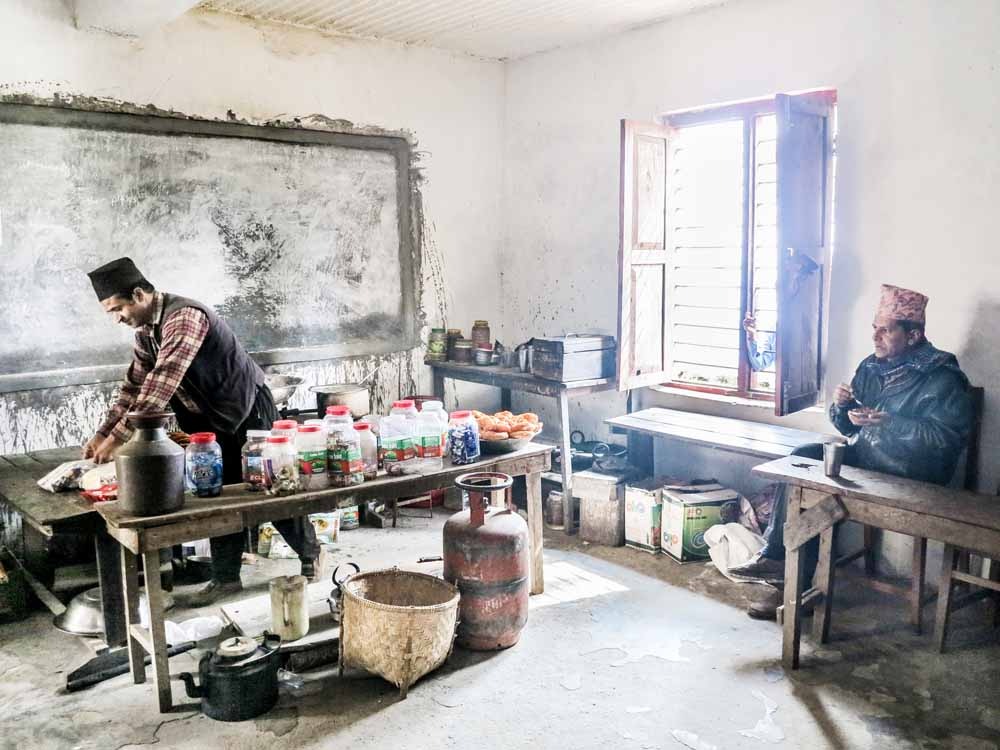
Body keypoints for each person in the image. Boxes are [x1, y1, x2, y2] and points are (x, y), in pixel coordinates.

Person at [729, 284, 974, 619]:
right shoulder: (873, 367)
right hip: (868, 462)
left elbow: (946, 441)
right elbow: (848, 429)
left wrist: (890, 423)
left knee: (823, 501)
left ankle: (791, 584)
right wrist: (842, 407)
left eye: (885, 330)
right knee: (802, 459)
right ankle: (779, 563)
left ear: (914, 335)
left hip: (915, 476)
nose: (875, 338)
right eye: (874, 328)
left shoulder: (943, 377)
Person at [84, 257, 317, 606]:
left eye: (118, 309)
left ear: (138, 294)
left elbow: (163, 381)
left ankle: (310, 556)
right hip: (210, 423)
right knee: (219, 496)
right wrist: (102, 433)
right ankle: (225, 578)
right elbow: (133, 387)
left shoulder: (184, 317)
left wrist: (120, 438)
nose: (117, 318)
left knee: (268, 488)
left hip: (247, 409)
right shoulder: (146, 333)